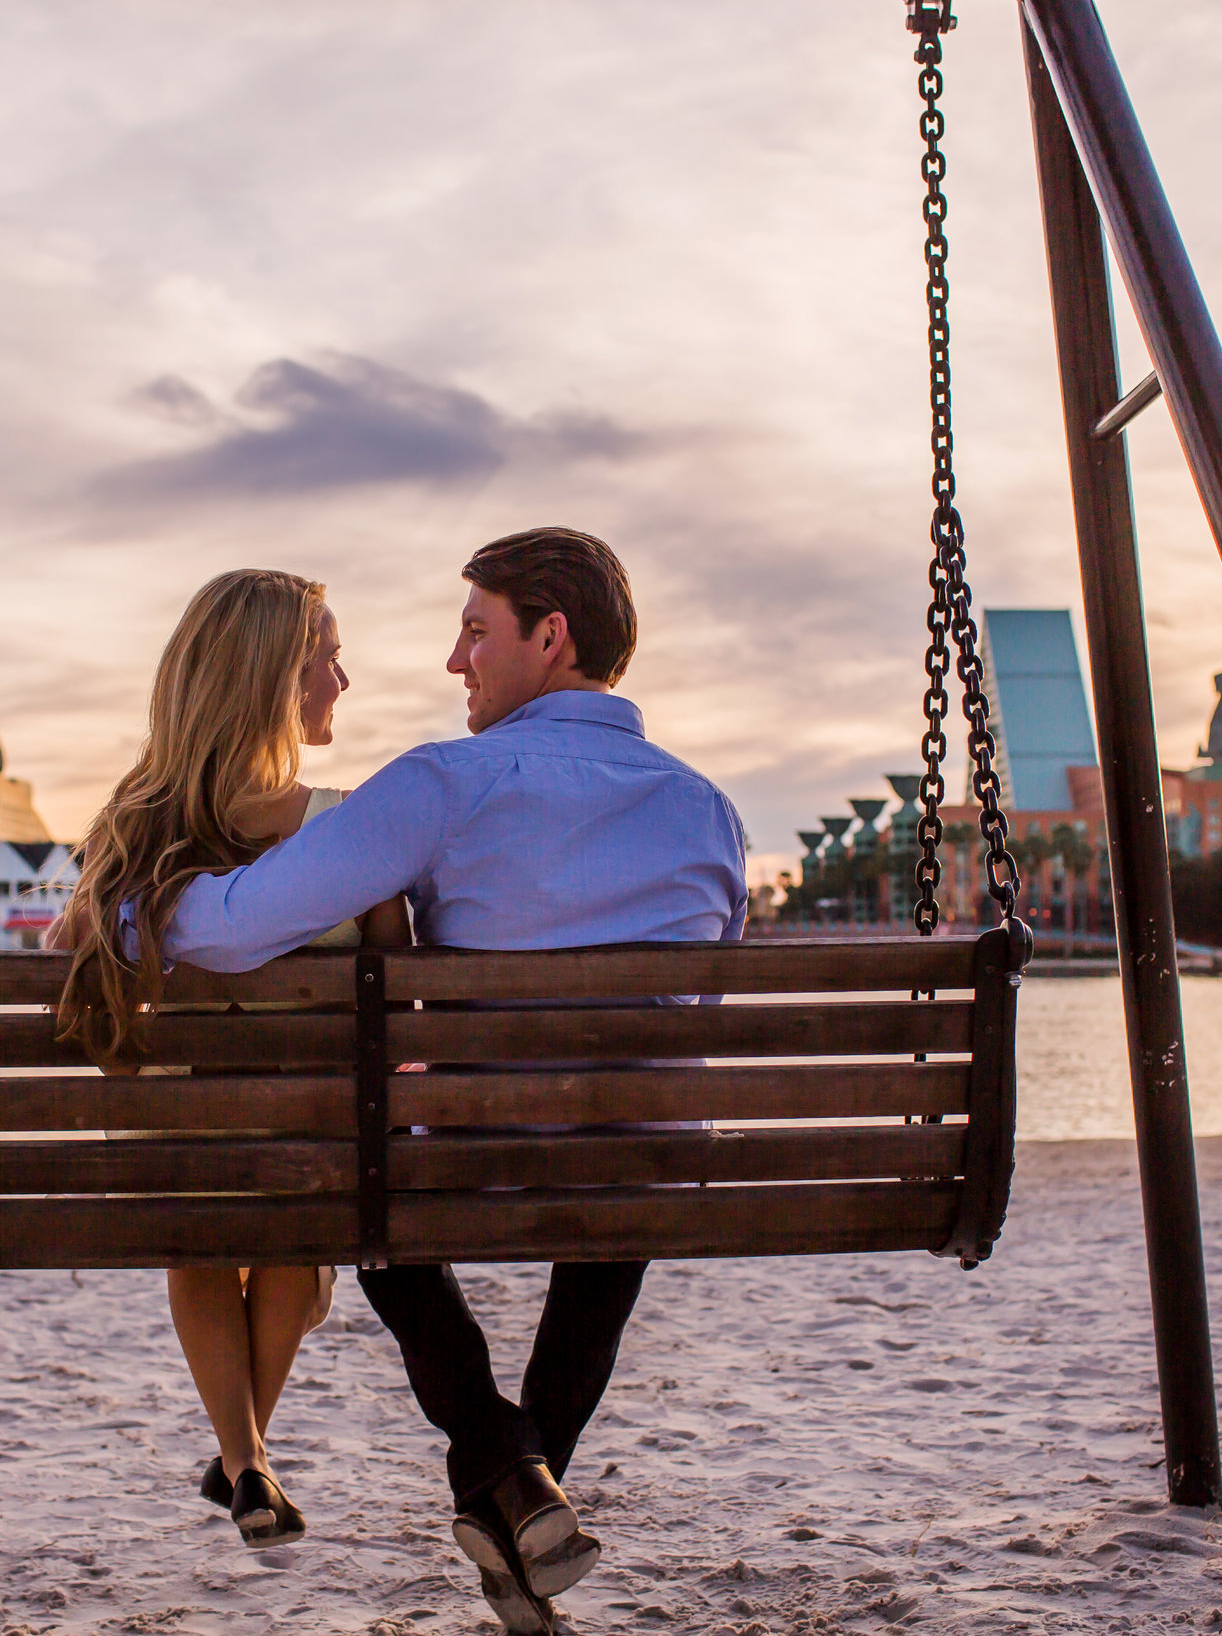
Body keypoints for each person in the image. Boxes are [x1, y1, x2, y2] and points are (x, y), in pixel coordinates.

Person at [162, 528, 747, 1632]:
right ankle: (520, 1499)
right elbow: (699, 1015)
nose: (453, 660)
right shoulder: (706, 807)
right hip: (647, 1167)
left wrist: (125, 909)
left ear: (550, 636)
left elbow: (241, 925)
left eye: (475, 631)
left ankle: (502, 1464)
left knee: (376, 1202)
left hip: (467, 1158)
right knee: (619, 1180)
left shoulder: (444, 780)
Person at [47, 568, 410, 1549]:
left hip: (181, 1163)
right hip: (317, 1164)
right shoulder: (352, 828)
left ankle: (245, 1461)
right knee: (298, 1235)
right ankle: (247, 1458)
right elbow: (407, 1001)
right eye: (327, 656)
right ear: (274, 682)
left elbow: (76, 997)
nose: (344, 676)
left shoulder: (131, 840)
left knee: (199, 1229)